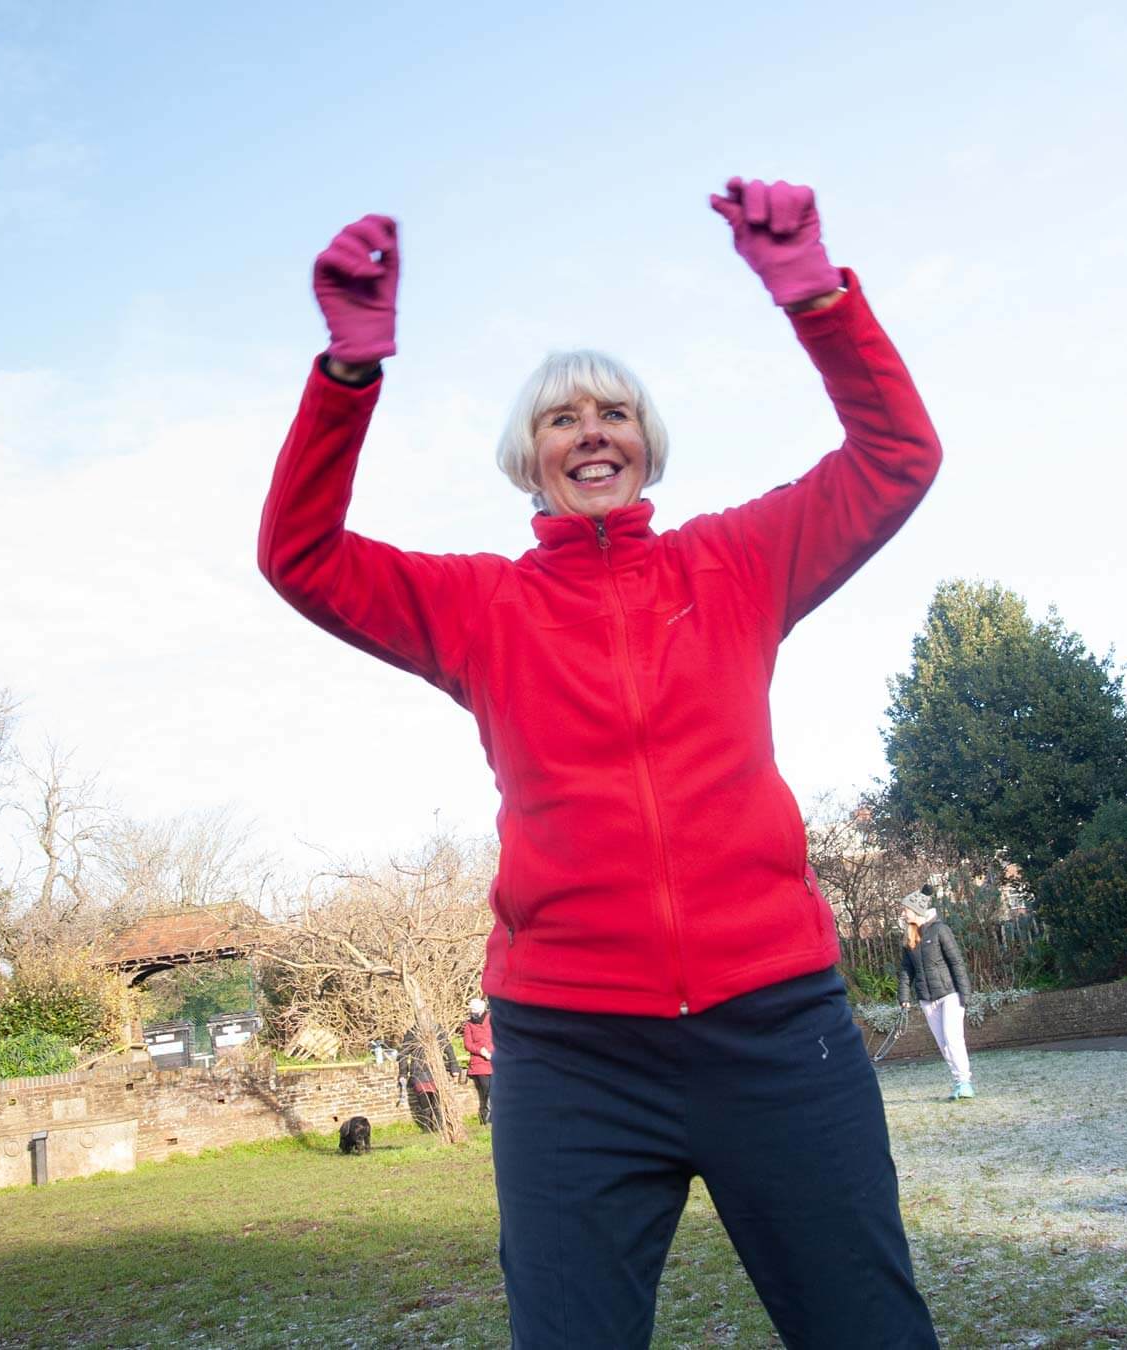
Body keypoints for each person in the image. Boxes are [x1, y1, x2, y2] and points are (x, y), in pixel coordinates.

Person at [260, 179, 943, 1346]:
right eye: (563, 417)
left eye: (615, 412)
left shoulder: (737, 564)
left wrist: (816, 296)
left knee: (867, 1330)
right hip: (572, 1054)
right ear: (529, 459)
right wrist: (350, 372)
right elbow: (301, 552)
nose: (593, 430)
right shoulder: (480, 608)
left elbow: (896, 456)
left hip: (776, 1028)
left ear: (647, 446)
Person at [898, 884, 975, 1099]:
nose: (903, 913)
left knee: (953, 1039)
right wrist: (903, 997)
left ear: (915, 910)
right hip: (926, 999)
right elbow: (906, 971)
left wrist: (964, 993)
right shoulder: (910, 937)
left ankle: (965, 1082)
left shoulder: (940, 930)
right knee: (943, 1044)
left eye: (905, 909)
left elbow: (956, 962)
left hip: (950, 994)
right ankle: (958, 1082)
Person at [397, 1020, 460, 1132]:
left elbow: (448, 1048)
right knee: (424, 1101)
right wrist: (403, 1073)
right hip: (419, 1070)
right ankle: (427, 1127)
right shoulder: (412, 1032)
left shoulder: (437, 1029)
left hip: (437, 1070)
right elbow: (403, 1054)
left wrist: (454, 1067)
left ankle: (439, 1126)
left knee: (438, 1101)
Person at [461, 997, 494, 1124]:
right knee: (486, 1090)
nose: (472, 1013)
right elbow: (467, 1044)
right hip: (479, 1063)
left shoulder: (492, 1020)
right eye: (471, 1011)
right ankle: (487, 1118)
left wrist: (492, 1051)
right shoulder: (469, 1025)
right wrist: (481, 1051)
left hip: (495, 1060)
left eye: (474, 1010)